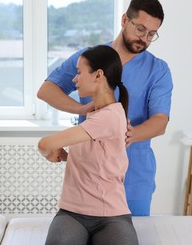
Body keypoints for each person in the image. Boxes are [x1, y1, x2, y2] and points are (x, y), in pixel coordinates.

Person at [38, 0, 173, 216]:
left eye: (151, 34)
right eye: (140, 29)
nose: (144, 38)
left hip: (135, 176)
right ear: (124, 20)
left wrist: (127, 134)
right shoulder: (90, 58)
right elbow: (47, 90)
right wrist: (82, 109)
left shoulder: (158, 70)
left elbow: (160, 122)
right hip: (87, 175)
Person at [38, 45, 138, 245]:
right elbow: (94, 157)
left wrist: (49, 153)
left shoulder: (108, 116)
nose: (75, 79)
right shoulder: (95, 115)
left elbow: (45, 143)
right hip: (72, 213)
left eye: (78, 72)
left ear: (98, 75)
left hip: (111, 215)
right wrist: (67, 155)